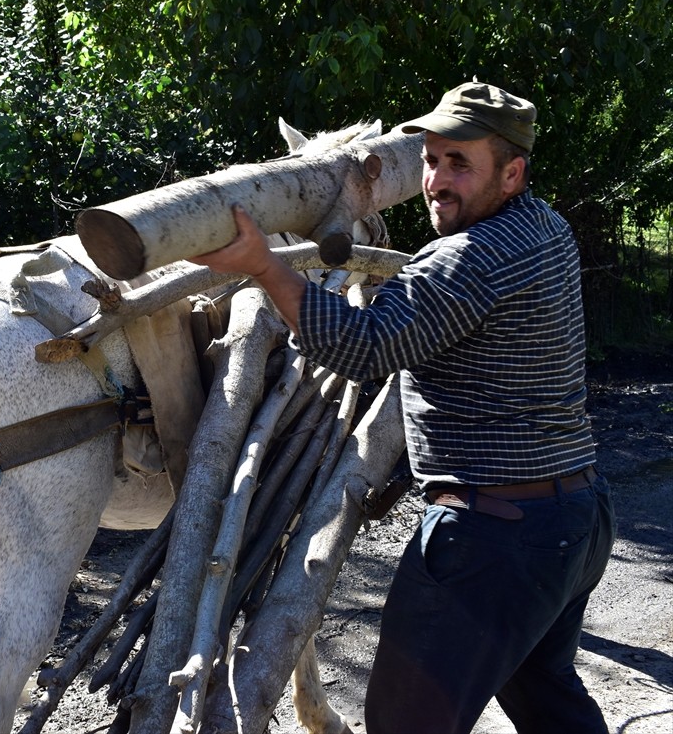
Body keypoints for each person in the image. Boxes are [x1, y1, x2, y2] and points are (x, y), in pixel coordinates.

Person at [190, 81, 617, 734]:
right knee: (548, 696)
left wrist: (264, 265)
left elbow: (364, 348)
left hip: (493, 538)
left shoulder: (467, 259)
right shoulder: (546, 227)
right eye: (432, 159)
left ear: (512, 172)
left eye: (460, 164)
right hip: (572, 519)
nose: (436, 180)